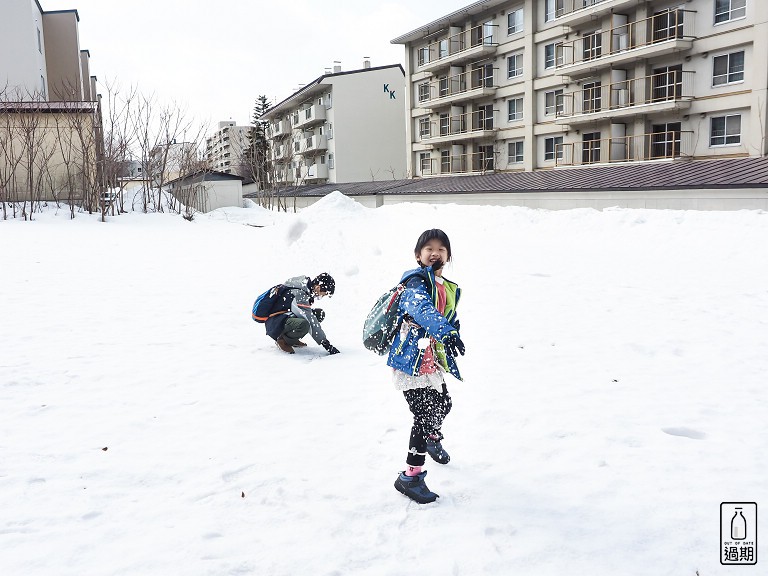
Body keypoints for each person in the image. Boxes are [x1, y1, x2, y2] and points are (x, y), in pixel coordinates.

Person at [388, 229, 465, 504]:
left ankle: (432, 438)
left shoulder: (446, 285)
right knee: (424, 415)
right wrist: (444, 330)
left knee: (443, 406)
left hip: (432, 358)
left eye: (442, 248)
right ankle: (410, 477)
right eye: (429, 248)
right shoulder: (415, 281)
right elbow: (422, 310)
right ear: (418, 255)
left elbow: (446, 315)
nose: (436, 252)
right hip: (412, 359)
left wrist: (453, 330)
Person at [265, 273, 340, 355]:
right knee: (305, 324)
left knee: (318, 314)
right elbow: (309, 318)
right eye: (322, 295)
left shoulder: (304, 287)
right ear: (318, 287)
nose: (320, 297)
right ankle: (283, 340)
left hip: (282, 318)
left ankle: (292, 338)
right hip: (275, 323)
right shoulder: (300, 294)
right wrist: (326, 344)